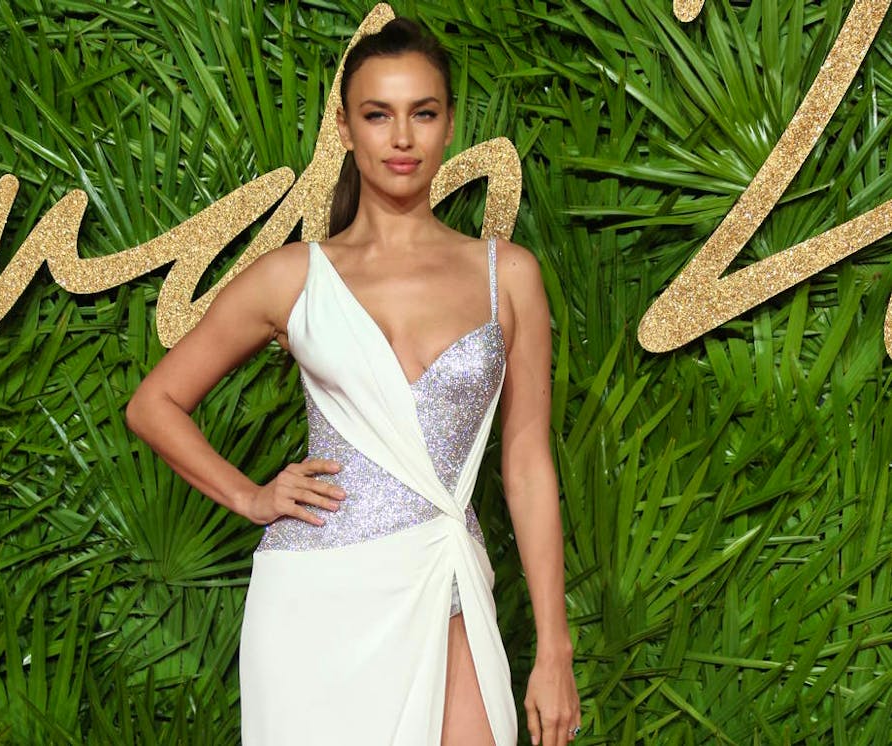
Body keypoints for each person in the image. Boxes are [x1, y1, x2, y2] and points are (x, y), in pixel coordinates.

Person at [126, 17, 580, 746]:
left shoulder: (509, 274)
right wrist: (250, 496)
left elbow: (526, 462)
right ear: (344, 128)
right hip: (314, 596)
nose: (401, 138)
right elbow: (155, 403)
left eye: (422, 113)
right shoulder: (292, 276)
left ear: (449, 125)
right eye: (377, 114)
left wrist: (554, 649)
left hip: (445, 574)